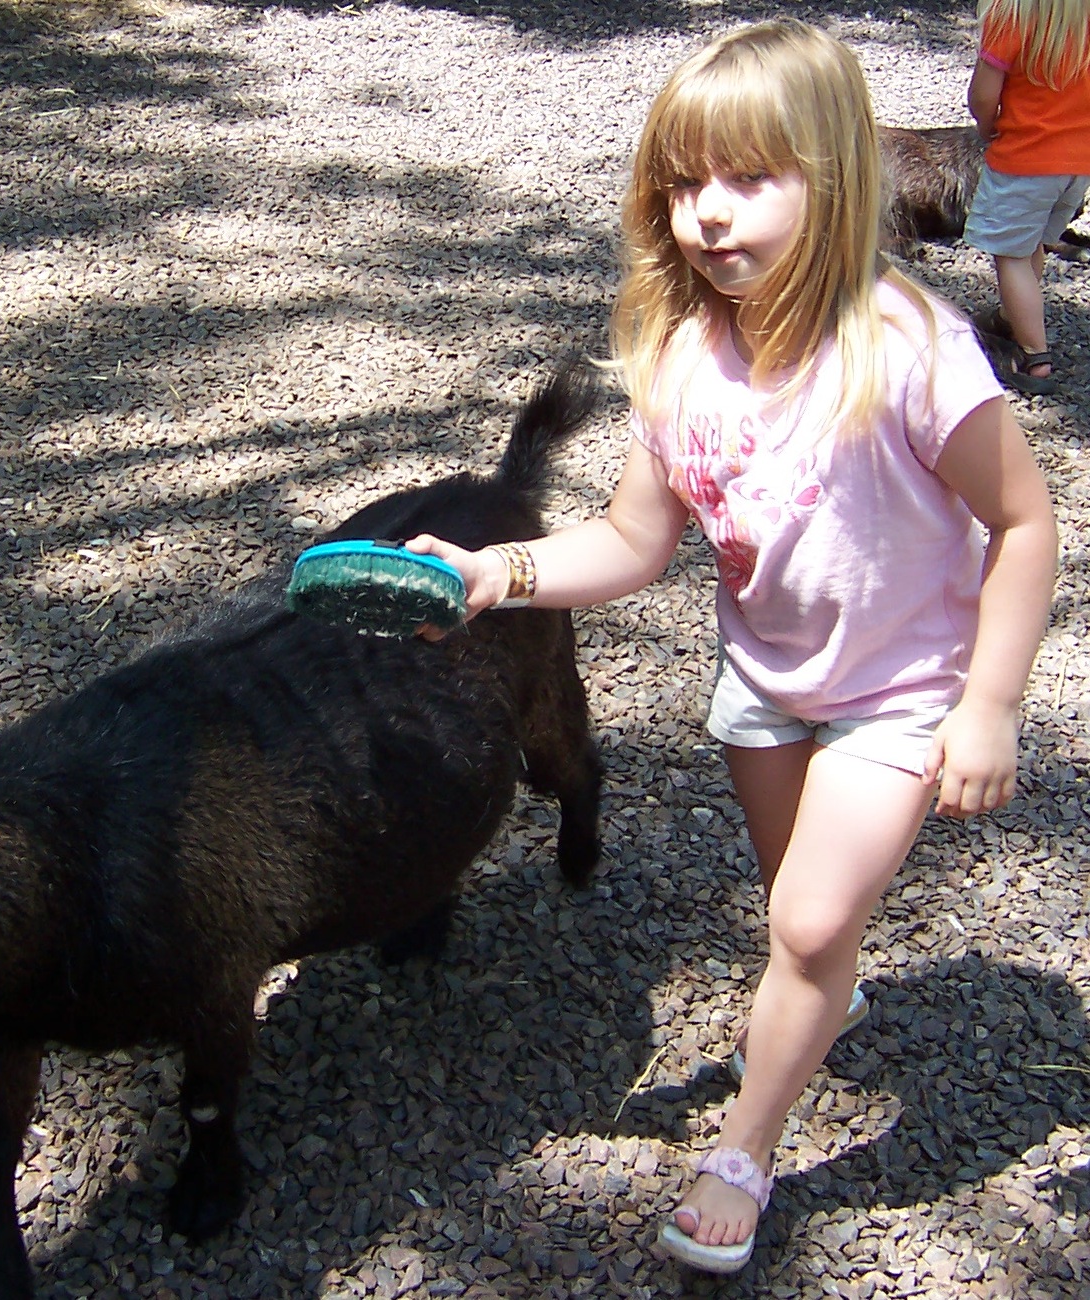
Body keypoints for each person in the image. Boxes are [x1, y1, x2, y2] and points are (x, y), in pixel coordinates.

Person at [408, 18, 1059, 1274]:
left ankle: (744, 1149)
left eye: (749, 178)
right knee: (793, 915)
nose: (707, 214)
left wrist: (989, 703)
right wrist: (503, 571)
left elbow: (1024, 523)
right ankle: (822, 994)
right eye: (684, 181)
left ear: (837, 178)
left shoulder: (908, 347)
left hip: (902, 694)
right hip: (765, 684)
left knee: (810, 923)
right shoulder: (680, 359)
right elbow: (630, 541)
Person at [963, 0, 1090, 395]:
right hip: (1078, 163)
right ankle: (1010, 316)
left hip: (1025, 160)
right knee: (1033, 241)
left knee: (1011, 256)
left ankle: (1035, 355)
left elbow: (984, 94)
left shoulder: (1012, 13)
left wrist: (987, 129)